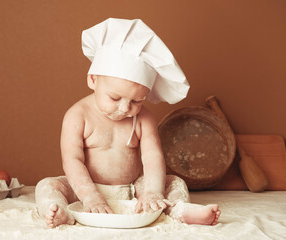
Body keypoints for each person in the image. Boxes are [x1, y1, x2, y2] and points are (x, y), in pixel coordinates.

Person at [35, 18, 221, 228]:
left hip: (133, 188)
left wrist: (152, 192)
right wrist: (90, 196)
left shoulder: (144, 118)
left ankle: (178, 209)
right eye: (115, 98)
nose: (125, 109)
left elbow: (152, 157)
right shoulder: (77, 115)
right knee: (47, 185)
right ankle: (59, 212)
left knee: (174, 182)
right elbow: (72, 160)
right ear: (93, 80)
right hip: (84, 187)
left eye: (136, 101)